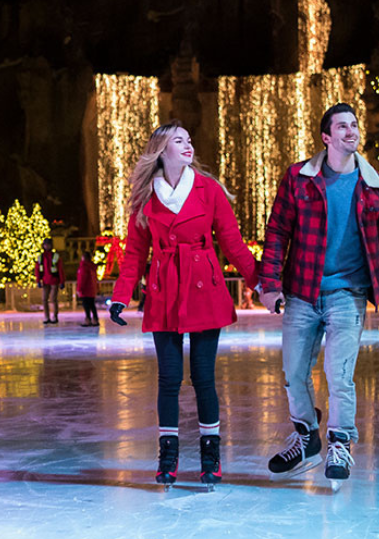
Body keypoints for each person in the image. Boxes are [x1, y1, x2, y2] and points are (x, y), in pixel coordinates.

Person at [258, 103, 379, 486]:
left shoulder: (376, 186)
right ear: (326, 137)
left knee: (338, 374)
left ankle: (340, 442)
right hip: (302, 293)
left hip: (348, 294)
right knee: (293, 373)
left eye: (354, 125)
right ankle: (307, 436)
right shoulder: (298, 178)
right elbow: (277, 232)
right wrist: (270, 284)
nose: (351, 131)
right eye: (342, 126)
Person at [108, 120, 258, 489]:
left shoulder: (209, 191)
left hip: (203, 288)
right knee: (169, 379)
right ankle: (168, 455)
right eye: (180, 141)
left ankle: (211, 455)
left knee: (204, 378)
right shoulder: (146, 197)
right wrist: (120, 296)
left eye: (190, 140)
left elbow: (234, 245)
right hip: (164, 291)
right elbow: (135, 254)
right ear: (162, 150)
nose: (189, 146)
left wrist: (264, 284)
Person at [36, 238, 65, 324]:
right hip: (45, 281)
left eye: (48, 244)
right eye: (45, 245)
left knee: (53, 299)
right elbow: (37, 269)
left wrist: (62, 281)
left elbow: (60, 269)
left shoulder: (55, 256)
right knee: (44, 299)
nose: (47, 246)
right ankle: (46, 316)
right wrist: (38, 280)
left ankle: (54, 316)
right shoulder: (41, 257)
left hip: (54, 280)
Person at [76, 251, 99, 327]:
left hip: (85, 290)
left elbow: (82, 279)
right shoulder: (92, 267)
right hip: (91, 290)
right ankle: (95, 319)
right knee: (92, 305)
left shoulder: (83, 267)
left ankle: (88, 319)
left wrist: (79, 289)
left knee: (86, 306)